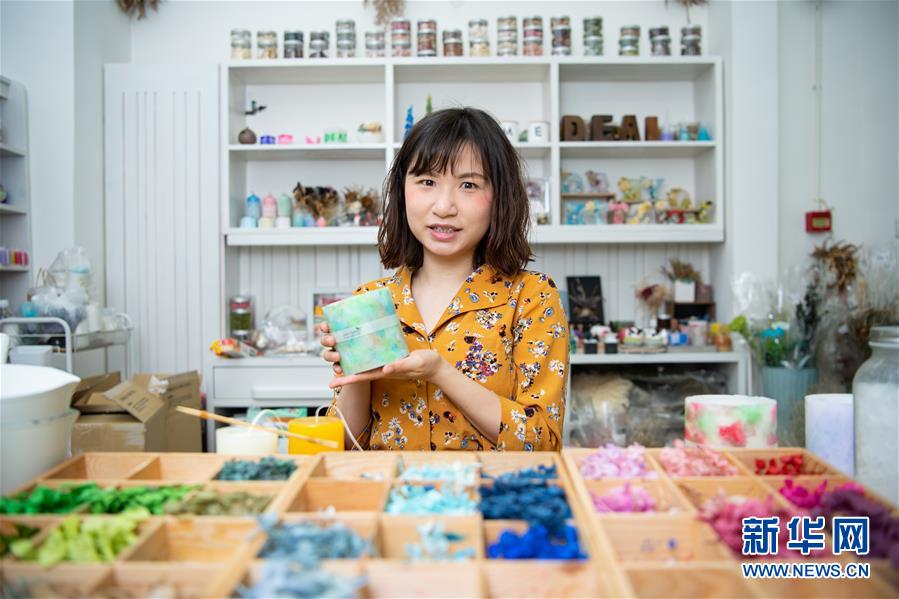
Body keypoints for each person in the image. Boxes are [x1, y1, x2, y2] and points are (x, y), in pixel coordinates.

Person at [321, 107, 568, 451]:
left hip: (490, 487)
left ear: (499, 196)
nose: (444, 206)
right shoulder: (371, 301)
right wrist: (359, 375)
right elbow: (344, 446)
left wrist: (440, 373)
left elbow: (541, 443)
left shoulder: (532, 297)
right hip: (390, 486)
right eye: (427, 182)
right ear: (402, 189)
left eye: (468, 185)